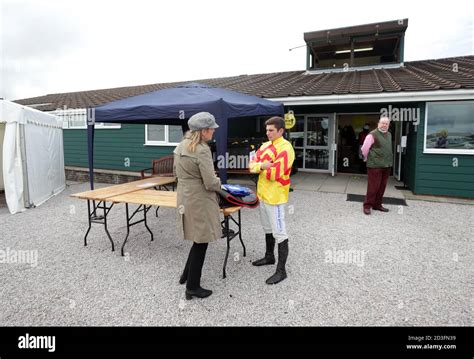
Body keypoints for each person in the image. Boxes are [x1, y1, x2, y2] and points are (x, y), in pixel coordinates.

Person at [174, 112, 221, 300]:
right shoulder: (202, 149)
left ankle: (186, 276)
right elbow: (210, 182)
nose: (214, 132)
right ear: (203, 131)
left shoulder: (181, 145)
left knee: (197, 238)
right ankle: (192, 287)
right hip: (200, 199)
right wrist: (220, 183)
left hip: (185, 196)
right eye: (211, 129)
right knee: (202, 241)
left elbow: (176, 173)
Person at [249, 116, 295, 285]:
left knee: (280, 232)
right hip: (262, 194)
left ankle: (281, 271)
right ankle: (269, 257)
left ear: (281, 131)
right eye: (266, 130)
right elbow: (251, 166)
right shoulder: (265, 146)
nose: (267, 133)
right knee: (267, 228)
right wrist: (262, 165)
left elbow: (274, 173)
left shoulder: (286, 148)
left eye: (271, 130)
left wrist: (261, 166)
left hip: (275, 197)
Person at [360, 116, 393, 215]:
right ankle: (367, 205)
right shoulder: (372, 135)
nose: (384, 125)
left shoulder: (389, 134)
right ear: (378, 123)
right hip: (375, 165)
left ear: (388, 125)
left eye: (386, 123)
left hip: (386, 165)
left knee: (382, 186)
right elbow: (364, 149)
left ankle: (377, 205)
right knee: (373, 187)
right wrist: (366, 158)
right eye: (383, 123)